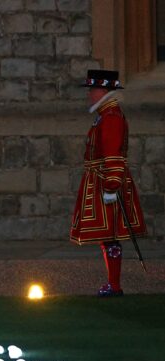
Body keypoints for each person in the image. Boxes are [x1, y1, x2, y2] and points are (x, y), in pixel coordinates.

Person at [70, 69, 146, 297]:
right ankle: (113, 283)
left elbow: (113, 153)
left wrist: (112, 185)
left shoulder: (111, 117)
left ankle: (114, 284)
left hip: (106, 182)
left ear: (104, 91)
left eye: (93, 90)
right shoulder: (105, 114)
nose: (90, 94)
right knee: (108, 237)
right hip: (101, 179)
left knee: (110, 236)